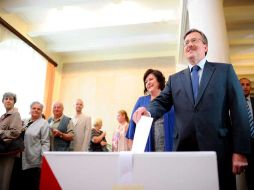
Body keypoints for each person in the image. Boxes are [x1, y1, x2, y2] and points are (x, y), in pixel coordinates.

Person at [133, 29, 251, 190]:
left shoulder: (225, 71)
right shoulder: (175, 80)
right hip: (184, 150)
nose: (189, 45)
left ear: (205, 47)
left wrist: (240, 150)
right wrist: (146, 111)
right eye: (186, 43)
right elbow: (161, 102)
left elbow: (239, 111)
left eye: (193, 40)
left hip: (219, 149)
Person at [126, 69, 175, 152]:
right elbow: (132, 126)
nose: (148, 83)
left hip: (170, 147)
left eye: (151, 79)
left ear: (159, 81)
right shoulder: (141, 101)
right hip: (147, 148)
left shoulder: (171, 99)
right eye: (146, 82)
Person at [21, 101, 50, 190]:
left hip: (34, 158)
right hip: (21, 156)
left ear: (41, 111)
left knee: (32, 184)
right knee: (22, 182)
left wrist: (43, 158)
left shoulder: (44, 123)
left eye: (39, 109)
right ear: (30, 109)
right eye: (34, 108)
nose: (36, 110)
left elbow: (45, 142)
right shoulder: (25, 121)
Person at [0, 92, 23, 190]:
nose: (8, 100)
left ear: (14, 102)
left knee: (4, 180)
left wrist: (0, 132)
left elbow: (15, 132)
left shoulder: (15, 114)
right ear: (2, 101)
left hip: (8, 151)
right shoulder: (3, 116)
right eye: (6, 98)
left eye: (11, 99)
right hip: (3, 150)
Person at [240, 77, 254, 190]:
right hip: (244, 146)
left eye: (247, 85)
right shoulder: (233, 103)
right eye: (242, 84)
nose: (245, 87)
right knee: (249, 176)